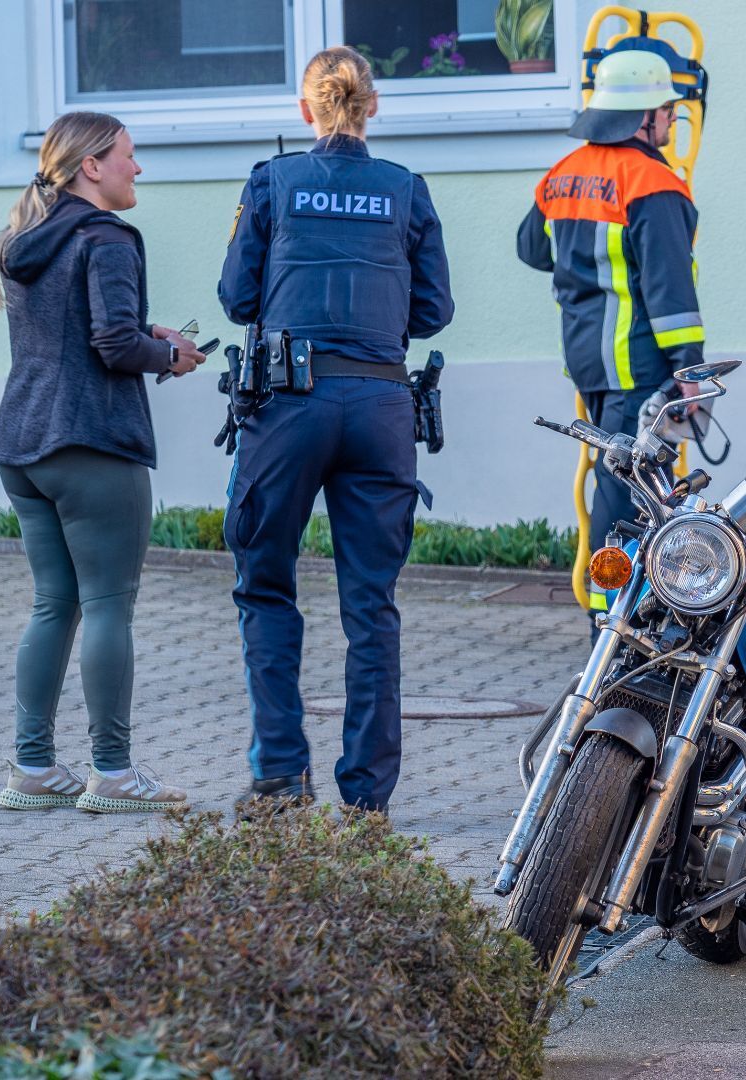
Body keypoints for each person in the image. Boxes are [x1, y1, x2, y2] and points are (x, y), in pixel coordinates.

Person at [217, 46, 453, 814]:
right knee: (372, 607)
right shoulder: (406, 190)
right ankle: (367, 802)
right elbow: (433, 312)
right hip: (381, 408)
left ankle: (282, 778)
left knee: (265, 587)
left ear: (306, 109)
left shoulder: (273, 182)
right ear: (372, 106)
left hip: (288, 407)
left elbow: (236, 298)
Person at [0, 110, 205, 814]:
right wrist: (169, 355)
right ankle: (112, 773)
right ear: (91, 166)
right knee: (109, 604)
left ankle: (33, 768)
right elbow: (112, 346)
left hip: (24, 444)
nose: (137, 168)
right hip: (92, 444)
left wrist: (147, 331)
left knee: (54, 604)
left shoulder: (24, 240)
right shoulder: (108, 237)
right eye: (128, 156)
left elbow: (75, 328)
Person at [515, 49, 707, 625]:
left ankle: (628, 614)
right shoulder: (653, 182)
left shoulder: (564, 173)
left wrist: (588, 273)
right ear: (642, 118)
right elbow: (670, 292)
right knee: (628, 492)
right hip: (638, 364)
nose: (671, 121)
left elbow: (531, 248)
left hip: (589, 362)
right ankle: (614, 623)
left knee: (623, 484)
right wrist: (690, 372)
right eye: (667, 111)